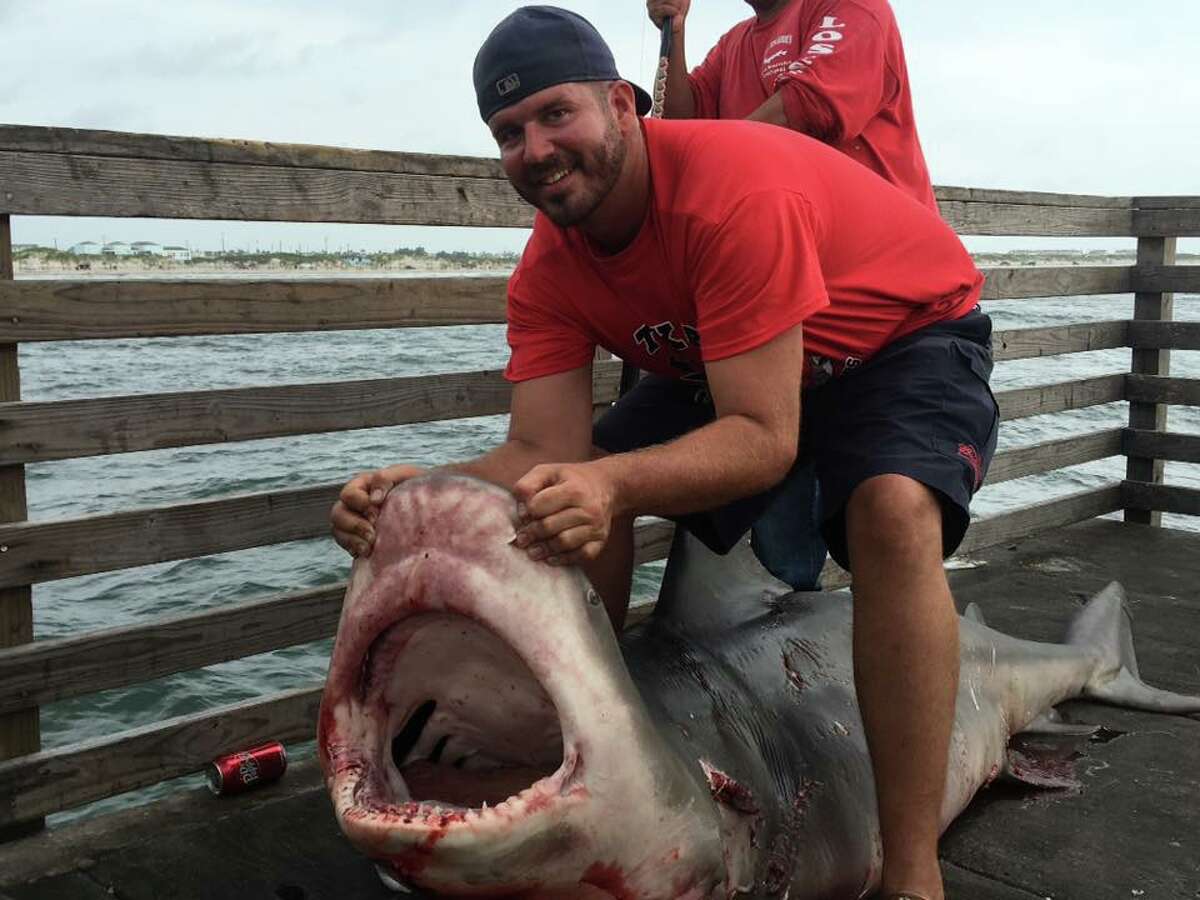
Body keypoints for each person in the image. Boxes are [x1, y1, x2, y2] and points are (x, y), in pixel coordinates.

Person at [330, 8, 997, 900]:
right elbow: (543, 448)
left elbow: (764, 440)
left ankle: (914, 873)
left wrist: (609, 482)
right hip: (732, 354)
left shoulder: (730, 192)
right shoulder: (548, 269)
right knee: (557, 495)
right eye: (509, 133)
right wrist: (422, 490)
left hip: (898, 334)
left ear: (621, 103)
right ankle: (578, 750)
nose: (535, 148)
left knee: (892, 513)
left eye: (555, 115)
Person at [644, 0, 940, 591]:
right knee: (777, 523)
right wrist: (673, 30)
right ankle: (788, 644)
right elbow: (679, 122)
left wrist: (694, 170)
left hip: (884, 309)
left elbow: (809, 110)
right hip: (782, 313)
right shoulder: (734, 45)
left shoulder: (850, 8)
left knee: (888, 514)